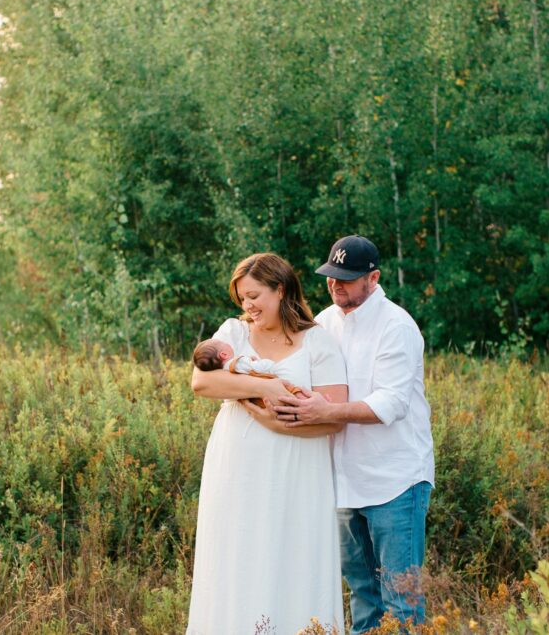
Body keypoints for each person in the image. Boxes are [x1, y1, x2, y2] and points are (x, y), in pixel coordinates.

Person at [272, 235, 436, 633]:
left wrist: (327, 411)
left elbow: (390, 404)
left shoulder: (397, 326)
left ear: (373, 278)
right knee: (363, 595)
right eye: (331, 277)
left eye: (346, 278)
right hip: (343, 482)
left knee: (402, 600)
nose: (335, 285)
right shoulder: (324, 323)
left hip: (395, 482)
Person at [186, 253, 349, 634]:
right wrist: (266, 387)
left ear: (280, 289)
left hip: (298, 469)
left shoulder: (317, 341)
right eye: (242, 298)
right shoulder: (233, 333)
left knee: (293, 554)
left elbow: (335, 416)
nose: (248, 306)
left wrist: (275, 424)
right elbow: (203, 382)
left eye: (255, 295)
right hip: (236, 465)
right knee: (238, 552)